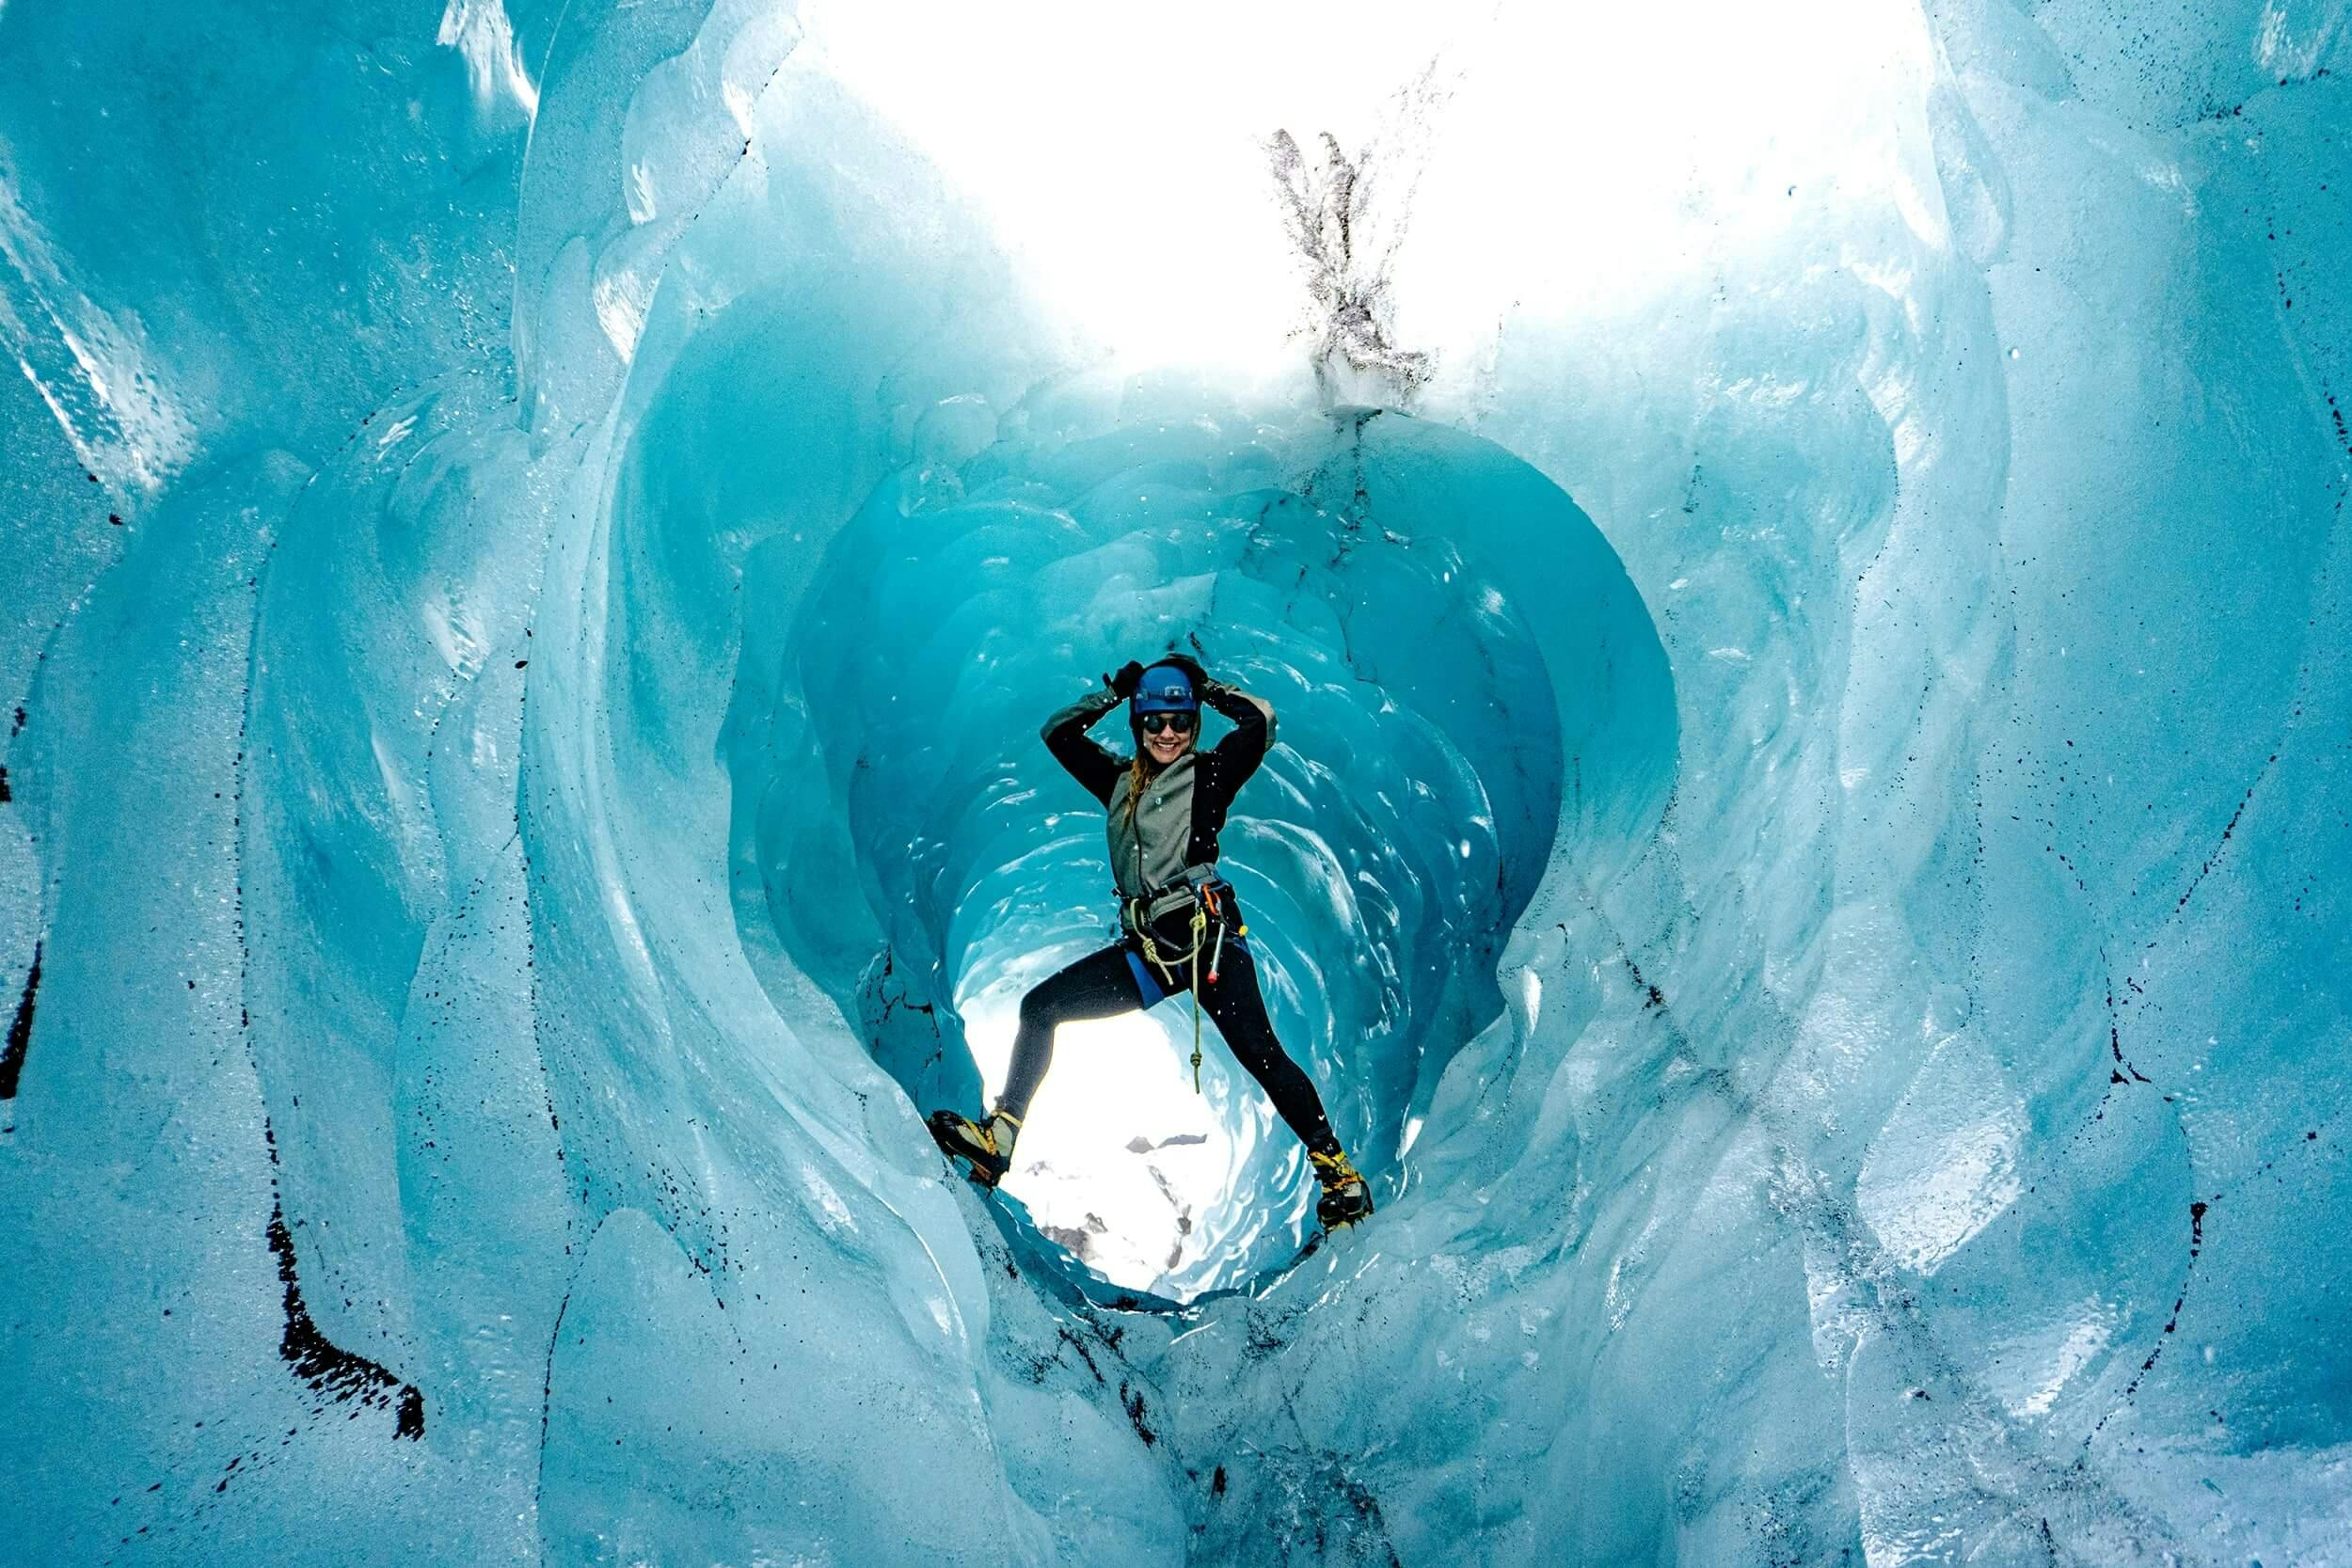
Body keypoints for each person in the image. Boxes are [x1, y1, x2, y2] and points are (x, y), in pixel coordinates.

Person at [928, 654, 1375, 1231]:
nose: (1168, 733)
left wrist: (1203, 686)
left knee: (1261, 1054)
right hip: (1150, 953)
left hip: (1207, 941)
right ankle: (1001, 1139)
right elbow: (1058, 735)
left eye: (1180, 722)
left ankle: (1340, 1176)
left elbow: (1261, 720)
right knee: (1040, 1008)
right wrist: (1114, 693)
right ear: (1138, 725)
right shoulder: (1117, 782)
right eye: (1155, 722)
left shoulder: (1210, 775)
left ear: (1194, 725)